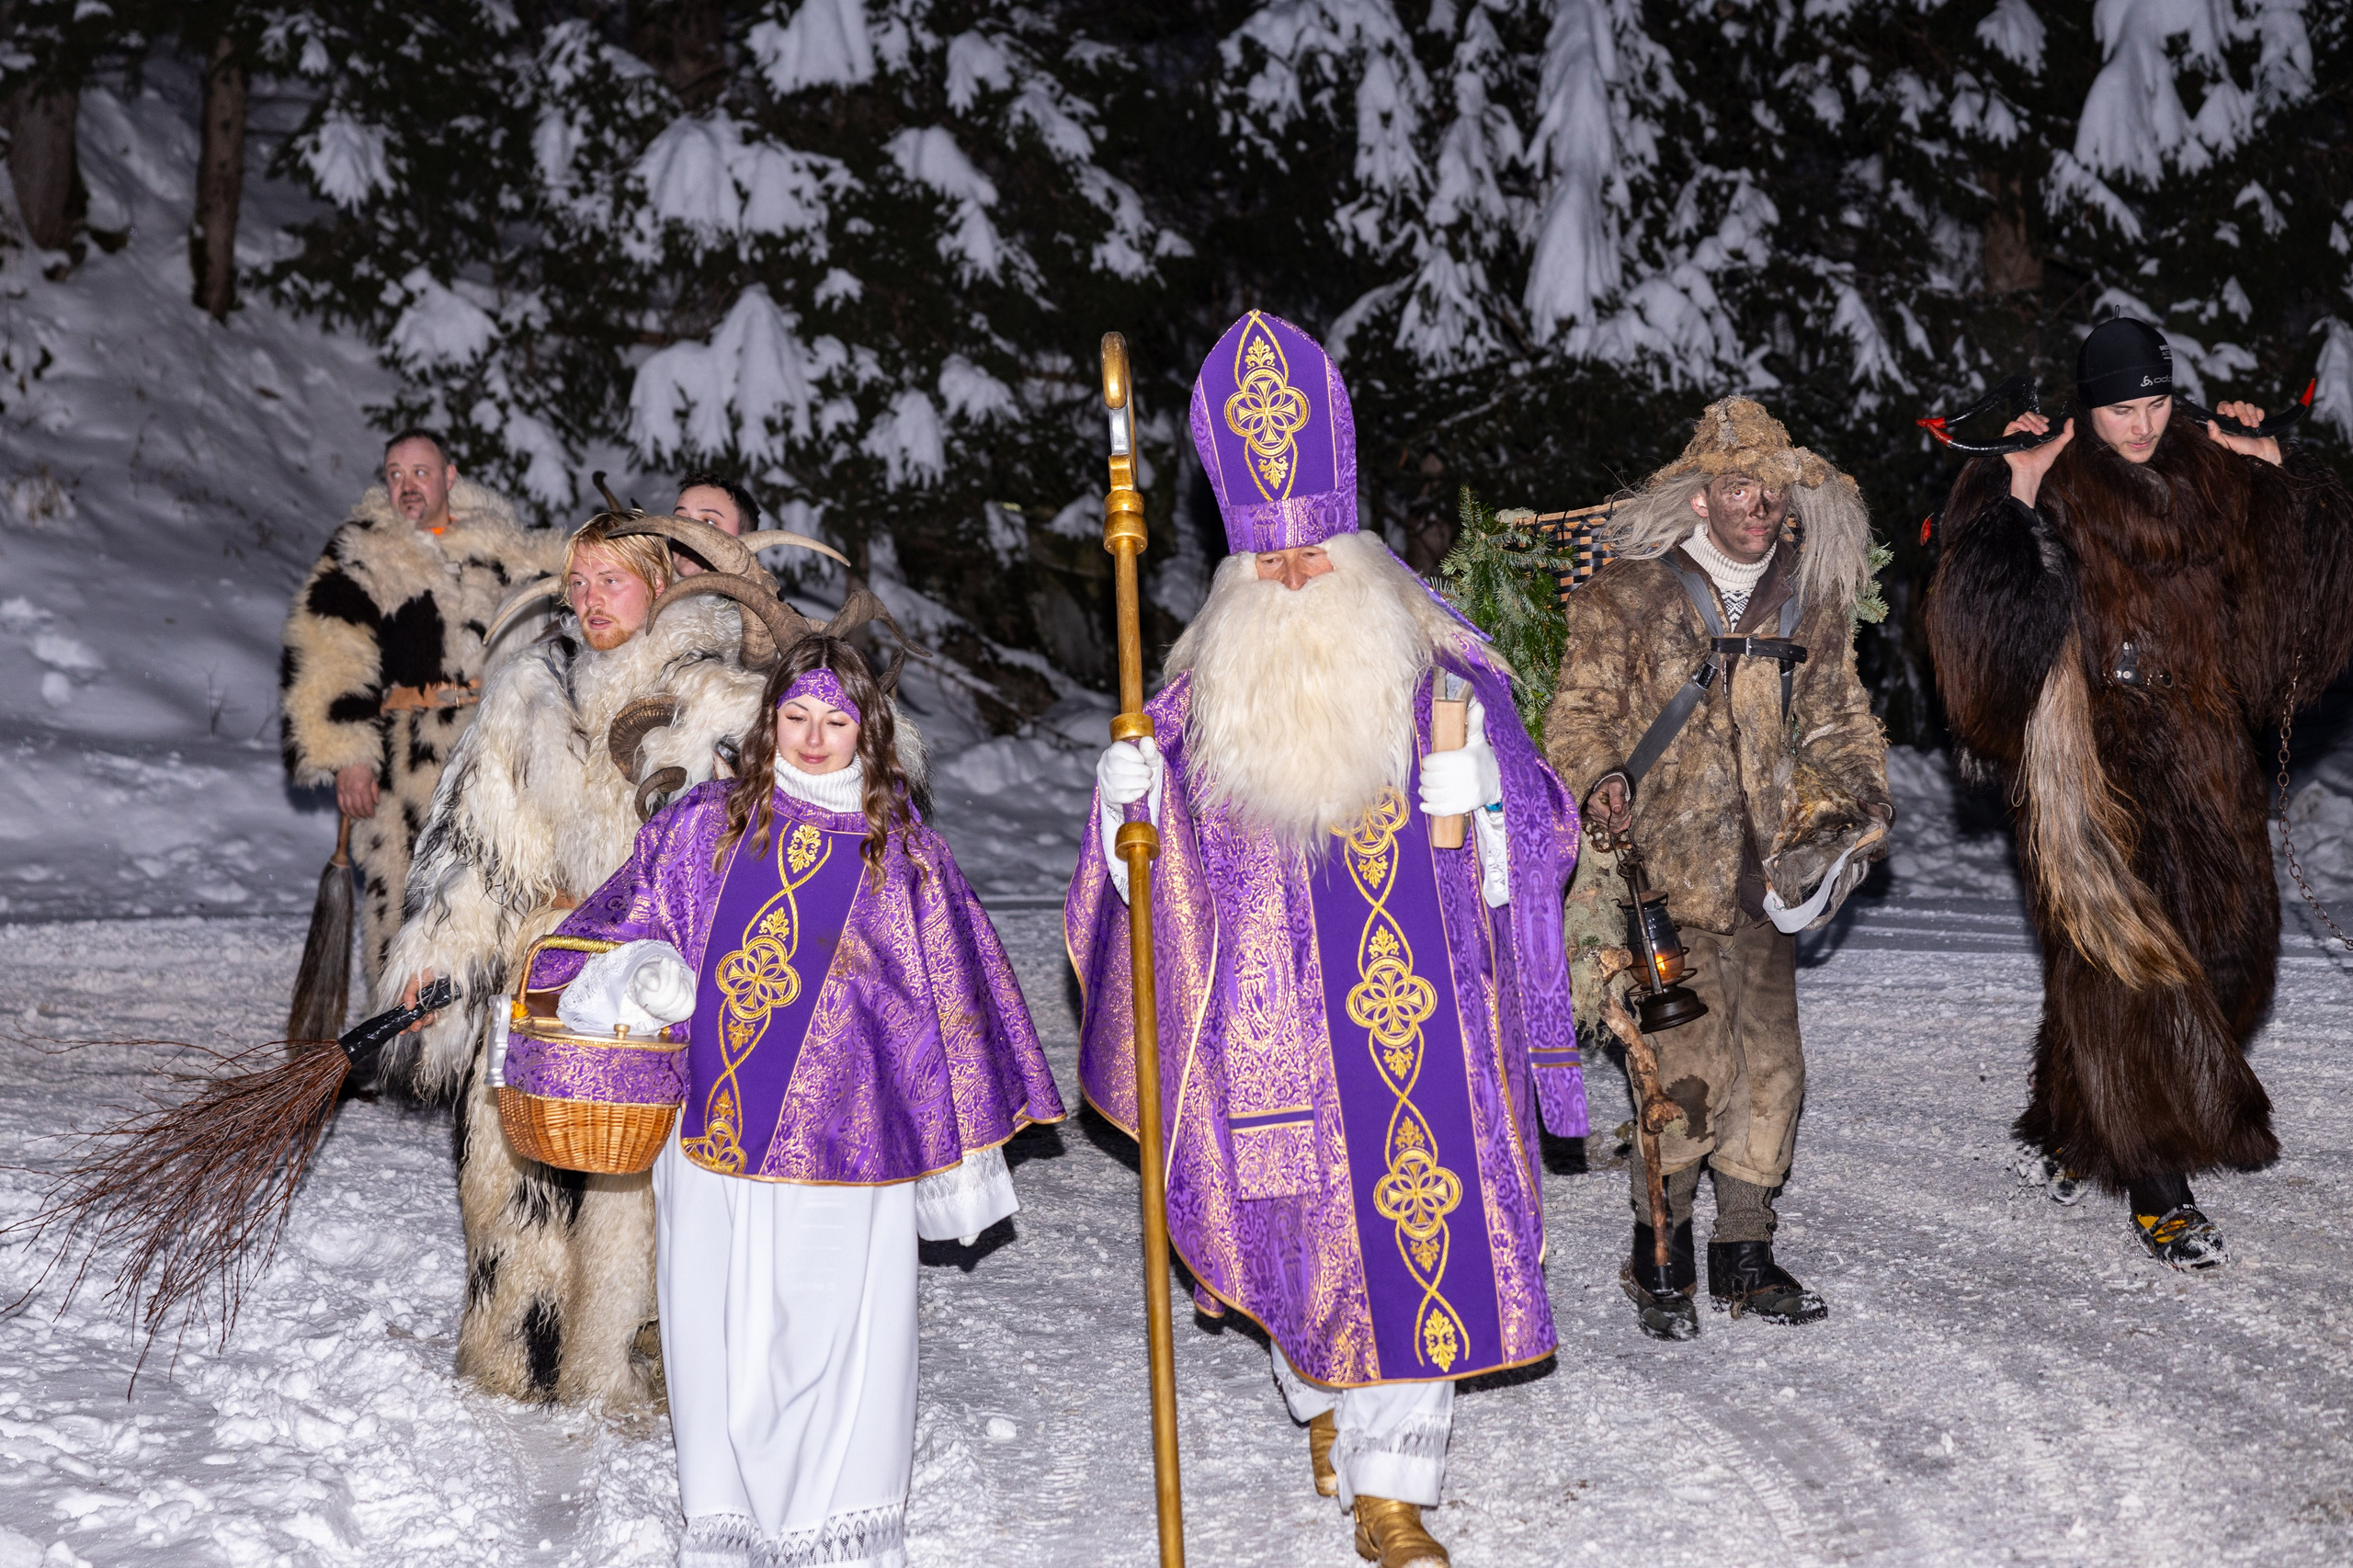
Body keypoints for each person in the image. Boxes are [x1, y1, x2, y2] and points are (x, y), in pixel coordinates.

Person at [1067, 312, 1584, 1568]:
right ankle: (1320, 1396)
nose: (1295, 577)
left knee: (1419, 1232)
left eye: (1314, 554)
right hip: (1268, 1032)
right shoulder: (1191, 706)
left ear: (1355, 550)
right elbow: (1143, 895)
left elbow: (1542, 823)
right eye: (1271, 560)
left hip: (1426, 1025)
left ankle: (1393, 1490)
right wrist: (1129, 811)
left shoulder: (1447, 672)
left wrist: (1484, 802)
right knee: (1294, 1241)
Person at [526, 631, 1064, 1568]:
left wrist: (956, 1150)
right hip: (711, 1129)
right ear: (768, 722)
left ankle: (838, 1520)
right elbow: (615, 927)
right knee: (713, 1322)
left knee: (834, 1331)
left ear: (869, 731)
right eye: (796, 717)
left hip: (850, 1141)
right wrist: (641, 976)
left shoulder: (905, 856)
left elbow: (951, 1008)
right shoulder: (703, 826)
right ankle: (723, 1515)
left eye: (836, 722)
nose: (814, 740)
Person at [1927, 317, 2353, 1270]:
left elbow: (2294, 622)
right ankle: (2157, 1183)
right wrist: (2015, 489)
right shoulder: (2056, 474)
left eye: (2156, 402)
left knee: (2230, 960)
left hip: (2204, 753)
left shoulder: (2212, 471)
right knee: (2129, 967)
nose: (2143, 424)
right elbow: (1979, 627)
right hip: (2092, 760)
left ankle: (2069, 1124)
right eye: (2122, 408)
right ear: (2089, 405)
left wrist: (2275, 476)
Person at [381, 510, 824, 1405]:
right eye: (577, 583)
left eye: (610, 581)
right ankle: (519, 1348)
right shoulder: (531, 687)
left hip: (661, 982)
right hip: (538, 974)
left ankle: (633, 1356)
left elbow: (826, 774)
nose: (589, 600)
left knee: (643, 1189)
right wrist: (437, 961)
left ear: (659, 581)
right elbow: (477, 846)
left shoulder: (716, 693)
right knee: (511, 1159)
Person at [1545, 398, 1891, 1340]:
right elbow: (1578, 716)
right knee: (1685, 1070)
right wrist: (1600, 777)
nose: (1761, 505)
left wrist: (1860, 799)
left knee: (1773, 1067)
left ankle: (1744, 1250)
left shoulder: (1808, 600)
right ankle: (1658, 1248)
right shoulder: (1626, 596)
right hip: (1660, 877)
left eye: (1774, 489)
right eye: (1741, 487)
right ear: (1701, 497)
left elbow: (1838, 715)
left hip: (1766, 879)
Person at [279, 429, 556, 990]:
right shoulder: (365, 550)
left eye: (421, 472)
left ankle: (471, 1027)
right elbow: (328, 652)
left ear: (449, 477)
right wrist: (349, 756)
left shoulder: (498, 542)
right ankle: (393, 1027)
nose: (407, 485)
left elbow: (572, 579)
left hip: (489, 749)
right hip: (403, 756)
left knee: (487, 891)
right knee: (401, 892)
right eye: (395, 474)